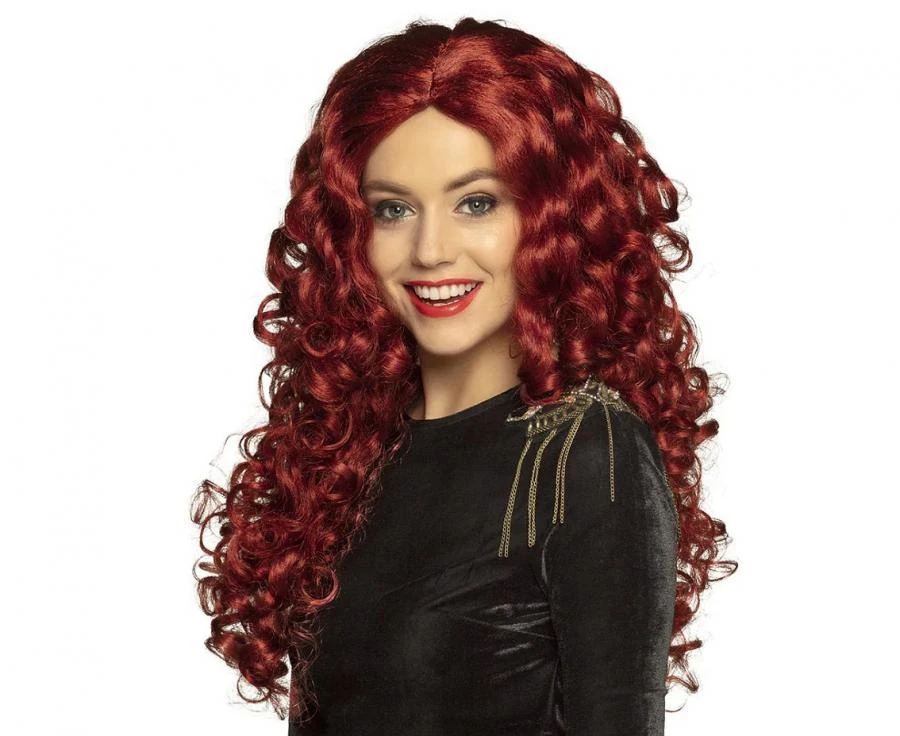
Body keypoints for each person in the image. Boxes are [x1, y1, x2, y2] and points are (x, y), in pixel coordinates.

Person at [191, 16, 736, 735]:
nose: (430, 250)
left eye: (476, 203)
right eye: (393, 210)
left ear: (551, 218)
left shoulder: (585, 451)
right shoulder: (348, 455)